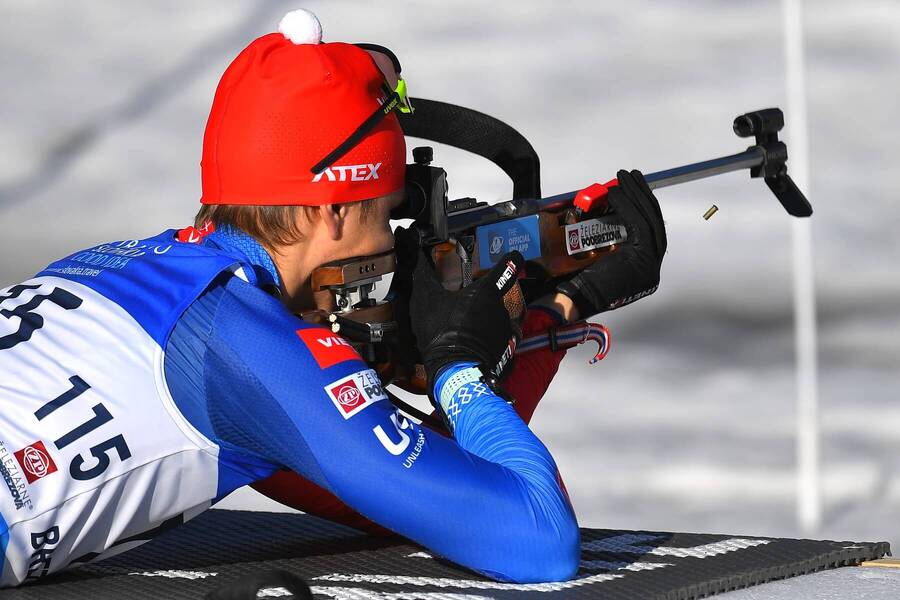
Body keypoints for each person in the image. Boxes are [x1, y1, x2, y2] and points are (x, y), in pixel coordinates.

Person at [0, 9, 666, 588]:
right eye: (387, 213)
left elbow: (400, 495)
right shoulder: (249, 348)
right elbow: (535, 539)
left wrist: (552, 314)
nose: (390, 239)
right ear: (335, 212)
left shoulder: (108, 267)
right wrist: (460, 368)